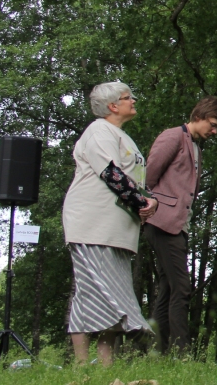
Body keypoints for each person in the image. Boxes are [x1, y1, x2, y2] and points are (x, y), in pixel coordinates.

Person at [62, 81, 158, 366]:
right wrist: (142, 204)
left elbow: (135, 181)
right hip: (93, 224)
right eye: (129, 97)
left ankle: (105, 366)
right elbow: (112, 174)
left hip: (119, 229)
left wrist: (151, 201)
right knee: (93, 290)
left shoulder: (123, 136)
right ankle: (81, 364)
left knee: (111, 293)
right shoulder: (98, 131)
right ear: (113, 106)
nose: (134, 100)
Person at [143, 96, 217, 356]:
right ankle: (182, 352)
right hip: (163, 224)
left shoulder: (196, 147)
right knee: (182, 287)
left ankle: (156, 351)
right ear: (199, 116)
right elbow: (148, 177)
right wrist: (156, 206)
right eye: (212, 125)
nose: (214, 131)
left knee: (168, 288)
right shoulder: (172, 137)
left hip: (178, 226)